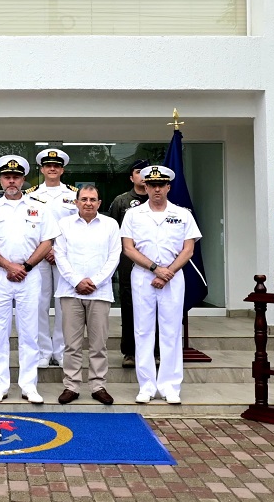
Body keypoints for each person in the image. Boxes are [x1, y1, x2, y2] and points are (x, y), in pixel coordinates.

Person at [0, 155, 57, 405]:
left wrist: (26, 266)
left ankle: (29, 385)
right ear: (0, 180)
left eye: (16, 177)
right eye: (7, 177)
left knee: (29, 332)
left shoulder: (39, 207)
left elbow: (48, 241)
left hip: (30, 275)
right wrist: (8, 265)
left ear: (23, 180)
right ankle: (0, 385)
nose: (12, 181)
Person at [120, 165, 202, 404]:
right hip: (143, 276)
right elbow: (128, 248)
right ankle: (146, 386)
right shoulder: (133, 214)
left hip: (174, 278)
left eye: (161, 185)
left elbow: (189, 249)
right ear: (144, 187)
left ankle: (170, 386)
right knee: (143, 331)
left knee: (171, 331)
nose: (156, 189)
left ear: (168, 187)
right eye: (152, 185)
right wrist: (156, 269)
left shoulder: (183, 214)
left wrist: (168, 272)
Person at [54, 184, 121, 405]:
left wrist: (94, 281)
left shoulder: (110, 225)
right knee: (71, 344)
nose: (88, 203)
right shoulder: (64, 225)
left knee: (98, 344)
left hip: (100, 292)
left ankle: (98, 385)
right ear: (76, 202)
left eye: (93, 199)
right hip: (70, 291)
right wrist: (77, 281)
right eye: (84, 199)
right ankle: (71, 386)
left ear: (99, 203)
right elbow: (59, 256)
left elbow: (114, 257)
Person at [26, 148, 77, 366]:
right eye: (48, 166)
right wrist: (45, 250)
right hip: (39, 256)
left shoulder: (74, 194)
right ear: (42, 169)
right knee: (40, 303)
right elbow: (28, 227)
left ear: (62, 169)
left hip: (65, 255)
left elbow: (76, 227)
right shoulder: (31, 195)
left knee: (64, 303)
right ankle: (43, 352)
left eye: (56, 166)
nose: (52, 168)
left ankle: (62, 350)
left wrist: (59, 250)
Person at [108, 158, 150, 368]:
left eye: (146, 172)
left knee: (156, 309)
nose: (142, 175)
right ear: (131, 177)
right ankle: (130, 352)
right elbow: (112, 234)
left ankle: (155, 350)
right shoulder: (121, 201)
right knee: (129, 306)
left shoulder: (159, 199)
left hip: (155, 264)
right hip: (128, 263)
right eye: (138, 172)